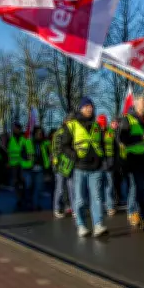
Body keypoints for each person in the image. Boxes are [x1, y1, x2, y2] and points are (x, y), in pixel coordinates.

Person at [62, 97, 107, 237]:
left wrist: (103, 159)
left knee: (97, 198)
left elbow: (102, 144)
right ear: (81, 108)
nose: (89, 109)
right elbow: (64, 145)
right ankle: (81, 225)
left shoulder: (96, 126)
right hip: (80, 167)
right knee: (80, 199)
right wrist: (74, 156)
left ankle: (98, 225)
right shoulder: (72, 125)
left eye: (91, 106)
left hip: (96, 167)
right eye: (86, 106)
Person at [118, 96, 144, 229]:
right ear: (135, 105)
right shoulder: (127, 119)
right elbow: (123, 138)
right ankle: (132, 213)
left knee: (143, 187)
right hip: (132, 158)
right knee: (134, 187)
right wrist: (142, 136)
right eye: (142, 102)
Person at [50, 120, 74, 219]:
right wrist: (56, 163)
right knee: (60, 187)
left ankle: (73, 208)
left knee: (71, 187)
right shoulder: (59, 133)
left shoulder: (72, 133)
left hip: (70, 164)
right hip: (61, 164)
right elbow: (56, 150)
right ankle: (57, 208)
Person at [7, 123, 33, 210]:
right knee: (16, 183)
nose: (14, 130)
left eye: (15, 129)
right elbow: (9, 152)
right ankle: (19, 199)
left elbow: (29, 152)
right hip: (14, 165)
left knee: (24, 183)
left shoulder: (24, 139)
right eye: (13, 129)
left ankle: (24, 198)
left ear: (19, 129)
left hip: (22, 165)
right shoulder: (11, 139)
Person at [97, 114, 118, 216]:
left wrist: (114, 161)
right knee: (99, 187)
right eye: (101, 124)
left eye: (103, 123)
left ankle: (109, 207)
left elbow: (115, 147)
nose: (102, 126)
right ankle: (99, 207)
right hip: (99, 164)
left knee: (109, 187)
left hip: (109, 164)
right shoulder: (95, 133)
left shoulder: (110, 133)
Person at [28, 127, 50, 211]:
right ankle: (29, 202)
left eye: (41, 133)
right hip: (29, 168)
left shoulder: (45, 143)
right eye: (38, 133)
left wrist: (47, 169)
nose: (39, 135)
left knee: (38, 187)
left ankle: (35, 204)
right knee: (29, 186)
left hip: (40, 168)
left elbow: (47, 156)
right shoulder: (29, 142)